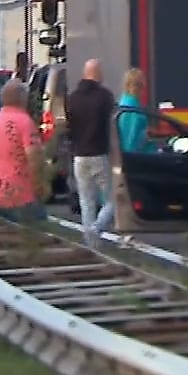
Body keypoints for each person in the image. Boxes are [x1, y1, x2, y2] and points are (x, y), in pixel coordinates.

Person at [64, 59, 118, 249]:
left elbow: (69, 127)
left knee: (86, 201)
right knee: (112, 200)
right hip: (99, 153)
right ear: (95, 74)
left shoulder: (72, 98)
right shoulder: (105, 97)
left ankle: (91, 244)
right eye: (100, 72)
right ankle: (96, 228)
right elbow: (111, 125)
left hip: (79, 155)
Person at [0, 81, 47, 223]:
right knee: (39, 231)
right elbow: (34, 158)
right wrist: (38, 186)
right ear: (23, 98)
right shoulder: (24, 122)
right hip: (20, 196)